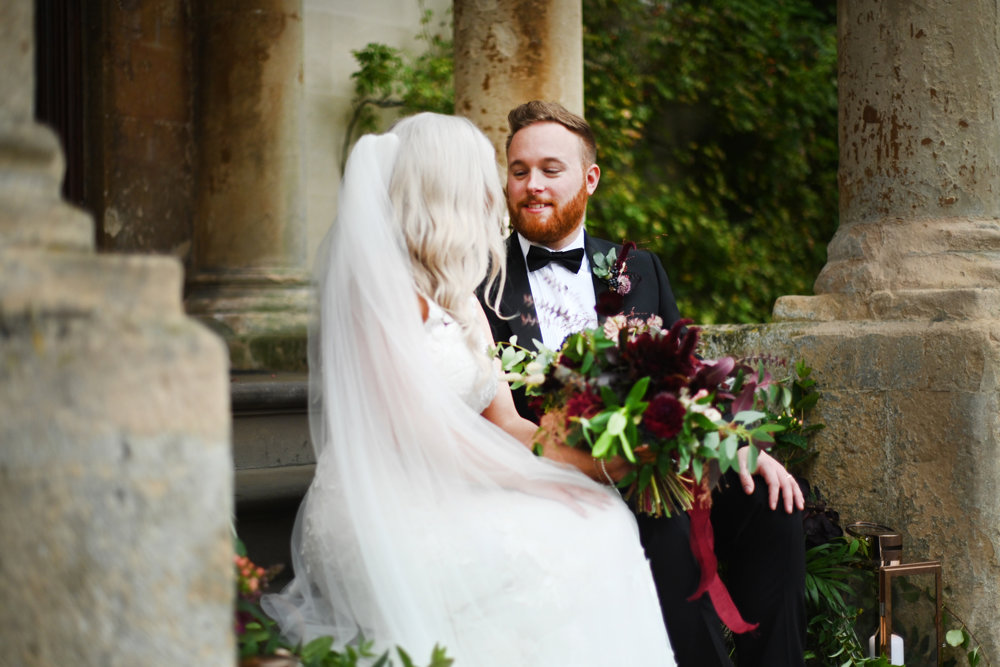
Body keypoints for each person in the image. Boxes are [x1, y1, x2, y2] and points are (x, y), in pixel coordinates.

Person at [261, 112, 675, 666]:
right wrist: (536, 483)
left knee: (600, 516)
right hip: (390, 500)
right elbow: (422, 435)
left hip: (455, 482)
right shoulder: (381, 299)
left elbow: (505, 422)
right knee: (584, 539)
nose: (495, 193)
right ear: (445, 193)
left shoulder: (462, 299)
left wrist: (586, 464)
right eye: (490, 176)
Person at [481, 100, 807, 667]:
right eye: (519, 171)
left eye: (550, 170)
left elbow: (688, 376)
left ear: (590, 178)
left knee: (774, 506)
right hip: (557, 471)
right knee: (669, 525)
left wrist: (740, 445)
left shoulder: (639, 268)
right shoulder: (482, 280)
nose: (532, 185)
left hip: (661, 457)